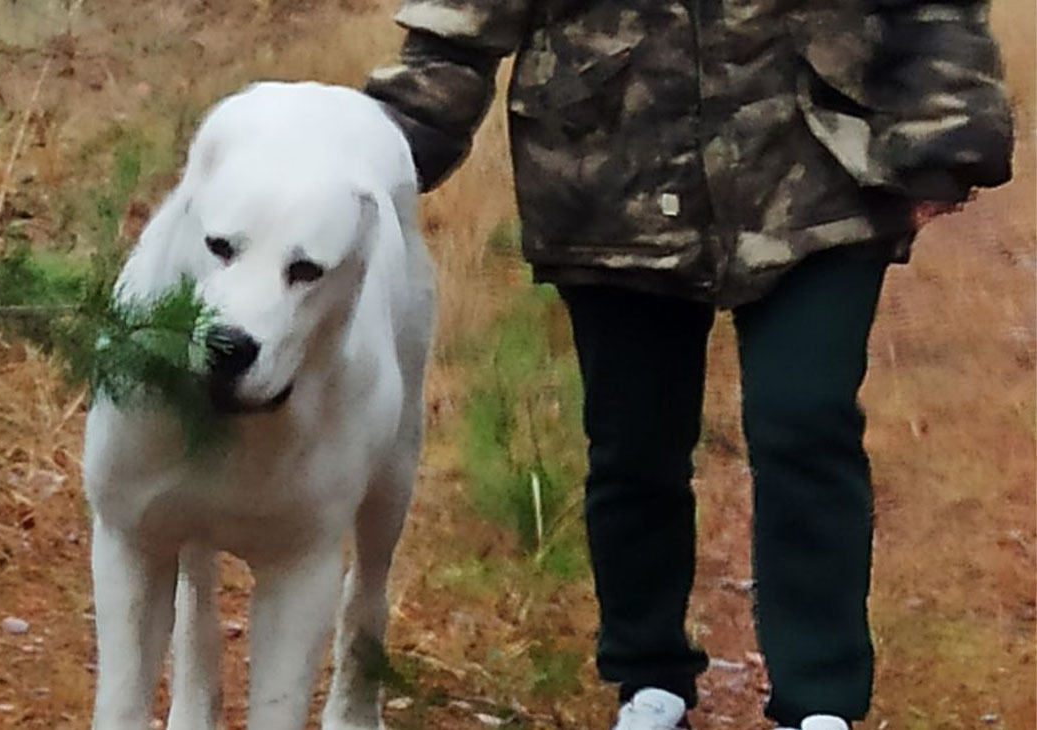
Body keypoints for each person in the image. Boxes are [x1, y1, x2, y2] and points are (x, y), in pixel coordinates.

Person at [364, 1, 1014, 728]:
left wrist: (946, 138)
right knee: (634, 448)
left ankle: (820, 699)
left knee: (807, 421)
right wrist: (363, 156)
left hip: (817, 175)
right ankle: (650, 681)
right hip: (608, 184)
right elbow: (456, 32)